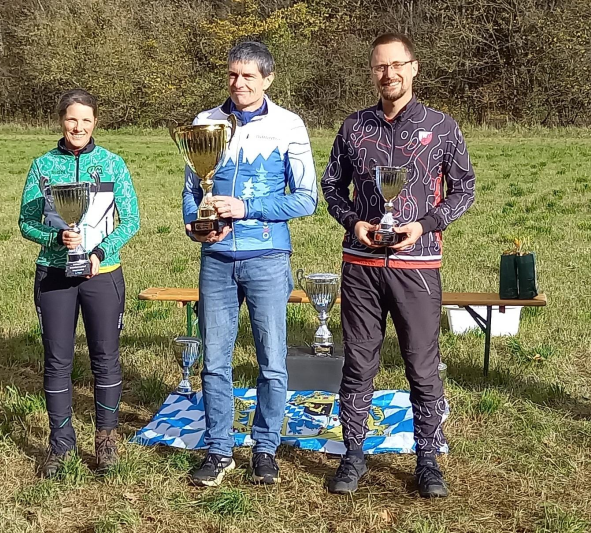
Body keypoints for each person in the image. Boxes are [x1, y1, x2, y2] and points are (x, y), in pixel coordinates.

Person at [321, 33, 476, 497]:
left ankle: (427, 460)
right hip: (362, 266)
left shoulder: (443, 128)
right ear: (372, 72)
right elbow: (331, 187)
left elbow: (464, 190)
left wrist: (425, 224)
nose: (388, 74)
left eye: (396, 65)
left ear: (414, 67)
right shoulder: (352, 127)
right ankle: (353, 456)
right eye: (379, 67)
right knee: (357, 364)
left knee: (423, 368)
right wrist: (354, 223)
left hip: (418, 266)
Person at [182, 41, 317, 486]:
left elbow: (306, 199)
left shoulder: (288, 125)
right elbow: (190, 192)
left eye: (249, 77)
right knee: (214, 362)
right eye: (232, 75)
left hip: (267, 257)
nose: (239, 84)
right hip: (216, 260)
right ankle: (219, 450)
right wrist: (194, 224)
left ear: (268, 79)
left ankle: (264, 449)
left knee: (272, 360)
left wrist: (248, 207)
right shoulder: (205, 122)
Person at [18, 89, 140, 478]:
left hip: (101, 274)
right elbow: (26, 222)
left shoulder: (112, 164)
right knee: (57, 362)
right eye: (72, 119)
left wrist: (99, 252)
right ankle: (61, 444)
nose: (79, 127)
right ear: (61, 120)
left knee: (105, 359)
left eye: (86, 120)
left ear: (95, 123)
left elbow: (131, 220)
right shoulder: (42, 166)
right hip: (54, 273)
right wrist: (57, 238)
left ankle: (106, 441)